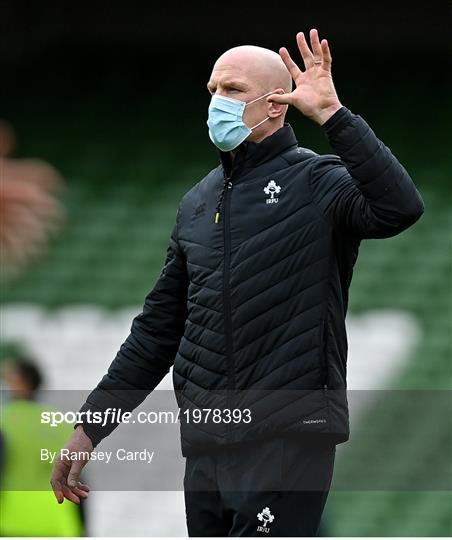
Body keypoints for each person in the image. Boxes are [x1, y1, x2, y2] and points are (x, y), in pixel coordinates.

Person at [51, 29, 424, 536]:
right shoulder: (197, 204)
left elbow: (400, 207)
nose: (216, 103)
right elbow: (157, 330)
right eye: (212, 91)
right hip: (207, 443)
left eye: (232, 90)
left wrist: (334, 115)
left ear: (275, 105)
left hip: (288, 435)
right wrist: (90, 426)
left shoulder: (318, 181)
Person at [0, 355, 84, 536]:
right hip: (59, 524)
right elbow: (79, 477)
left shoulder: (3, 420)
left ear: (20, 382)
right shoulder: (60, 422)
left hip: (12, 522)